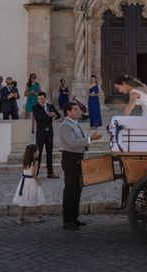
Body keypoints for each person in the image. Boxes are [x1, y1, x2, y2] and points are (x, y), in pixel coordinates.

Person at [59, 102, 102, 231]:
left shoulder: (74, 124)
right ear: (68, 112)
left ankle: (74, 217)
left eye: (78, 109)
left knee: (77, 189)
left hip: (77, 158)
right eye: (75, 109)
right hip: (70, 159)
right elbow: (73, 143)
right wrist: (90, 139)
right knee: (70, 190)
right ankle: (67, 220)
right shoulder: (65, 126)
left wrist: (88, 139)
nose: (79, 111)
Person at [13, 144, 46, 224]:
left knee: (22, 199)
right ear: (34, 152)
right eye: (37, 151)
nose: (38, 152)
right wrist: (39, 181)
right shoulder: (35, 162)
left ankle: (21, 218)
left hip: (24, 181)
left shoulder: (24, 160)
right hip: (32, 182)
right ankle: (39, 216)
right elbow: (33, 174)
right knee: (37, 198)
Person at [33, 92, 61, 178]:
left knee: (50, 153)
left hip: (49, 133)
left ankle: (50, 172)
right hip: (40, 134)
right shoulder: (35, 107)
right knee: (39, 154)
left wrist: (54, 115)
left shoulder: (50, 106)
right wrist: (49, 115)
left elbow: (59, 115)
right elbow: (38, 118)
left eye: (42, 98)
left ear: (45, 98)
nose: (40, 100)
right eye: (39, 99)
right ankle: (36, 173)